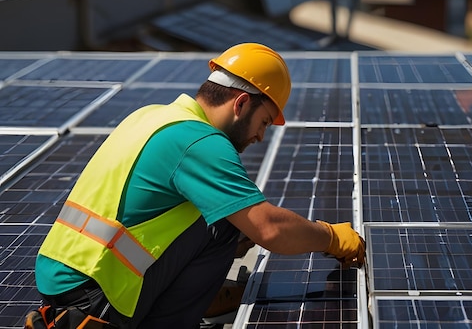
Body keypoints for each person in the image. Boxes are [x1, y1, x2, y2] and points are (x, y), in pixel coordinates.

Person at [28, 43, 365, 329]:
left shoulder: (152, 116)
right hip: (101, 292)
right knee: (226, 224)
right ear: (241, 104)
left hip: (64, 276)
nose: (261, 136)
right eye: (263, 122)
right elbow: (270, 229)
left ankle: (195, 298)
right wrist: (331, 237)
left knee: (227, 216)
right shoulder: (200, 142)